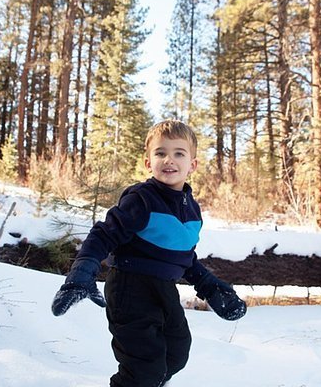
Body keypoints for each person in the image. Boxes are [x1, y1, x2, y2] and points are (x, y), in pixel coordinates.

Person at [51, 120, 247, 387]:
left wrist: (210, 286)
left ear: (193, 164)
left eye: (179, 153)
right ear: (148, 163)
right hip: (130, 290)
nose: (169, 159)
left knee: (176, 354)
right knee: (144, 368)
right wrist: (82, 271)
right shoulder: (142, 199)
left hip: (164, 291)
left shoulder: (192, 209)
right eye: (160, 153)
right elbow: (103, 234)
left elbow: (184, 257)